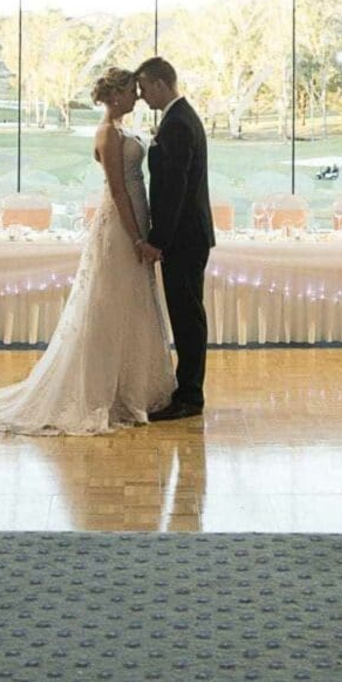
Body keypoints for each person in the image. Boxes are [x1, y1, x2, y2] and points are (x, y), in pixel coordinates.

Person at [0, 68, 173, 435]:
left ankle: (132, 386)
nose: (138, 96)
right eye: (132, 91)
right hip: (122, 225)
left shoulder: (122, 129)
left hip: (139, 216)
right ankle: (100, 391)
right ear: (117, 96)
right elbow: (119, 190)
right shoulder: (107, 133)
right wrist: (137, 237)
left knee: (133, 301)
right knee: (110, 302)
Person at [134, 56, 214, 420]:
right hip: (187, 235)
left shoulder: (178, 123)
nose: (142, 96)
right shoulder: (178, 118)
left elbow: (175, 190)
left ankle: (190, 397)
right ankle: (188, 391)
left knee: (187, 317)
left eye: (144, 88)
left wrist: (157, 240)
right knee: (186, 314)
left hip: (184, 237)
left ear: (161, 84)